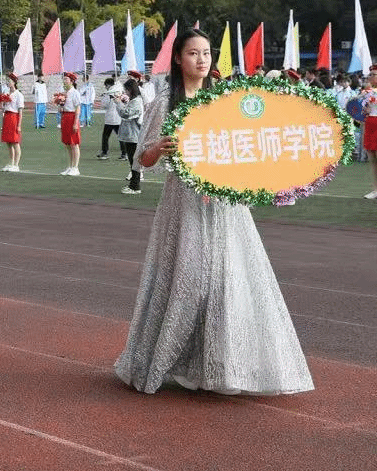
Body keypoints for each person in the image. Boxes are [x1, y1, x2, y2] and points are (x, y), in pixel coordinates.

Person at [115, 28, 313, 395]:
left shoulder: (222, 100)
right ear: (178, 58)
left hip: (224, 203)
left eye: (206, 53)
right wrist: (158, 146)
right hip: (184, 202)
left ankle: (223, 366)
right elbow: (143, 160)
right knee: (188, 277)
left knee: (228, 278)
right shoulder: (166, 102)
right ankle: (165, 358)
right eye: (193, 53)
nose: (201, 60)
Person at [116, 78, 145, 194]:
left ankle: (135, 186)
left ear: (131, 90)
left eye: (126, 90)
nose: (125, 93)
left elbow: (126, 114)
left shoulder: (137, 101)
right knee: (133, 161)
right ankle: (133, 184)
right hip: (131, 135)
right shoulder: (134, 101)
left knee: (134, 162)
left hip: (134, 136)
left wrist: (118, 103)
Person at [0, 73, 23, 171]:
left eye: (9, 81)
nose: (8, 83)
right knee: (8, 142)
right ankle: (11, 162)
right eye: (7, 81)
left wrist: (19, 125)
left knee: (15, 142)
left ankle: (16, 164)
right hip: (7, 117)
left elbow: (20, 110)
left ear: (14, 82)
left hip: (14, 117)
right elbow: (4, 107)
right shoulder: (7, 93)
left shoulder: (18, 95)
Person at [58, 72, 81, 176]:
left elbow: (77, 108)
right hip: (65, 117)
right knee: (67, 143)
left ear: (72, 81)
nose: (64, 81)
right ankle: (70, 166)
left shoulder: (75, 92)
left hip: (72, 117)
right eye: (64, 79)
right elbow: (61, 109)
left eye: (66, 79)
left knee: (74, 143)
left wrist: (75, 122)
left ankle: (75, 167)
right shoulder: (64, 93)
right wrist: (60, 104)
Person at [361, 65, 377, 199]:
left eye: (373, 74)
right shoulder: (367, 91)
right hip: (370, 123)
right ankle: (376, 189)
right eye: (370, 74)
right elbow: (362, 109)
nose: (370, 77)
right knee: (372, 158)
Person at [97, 77, 122, 160]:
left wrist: (103, 97)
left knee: (105, 136)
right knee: (121, 136)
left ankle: (105, 153)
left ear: (107, 85)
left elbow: (105, 105)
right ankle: (124, 153)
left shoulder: (109, 93)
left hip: (110, 119)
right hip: (118, 118)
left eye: (105, 86)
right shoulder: (118, 90)